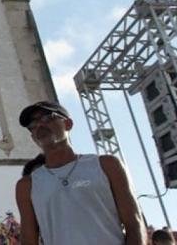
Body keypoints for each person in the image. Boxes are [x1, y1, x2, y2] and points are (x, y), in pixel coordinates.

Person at [14, 101, 147, 245]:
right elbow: (28, 240)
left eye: (47, 118)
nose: (39, 125)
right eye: (33, 125)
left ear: (68, 124)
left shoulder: (107, 165)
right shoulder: (27, 186)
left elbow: (134, 223)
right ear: (33, 136)